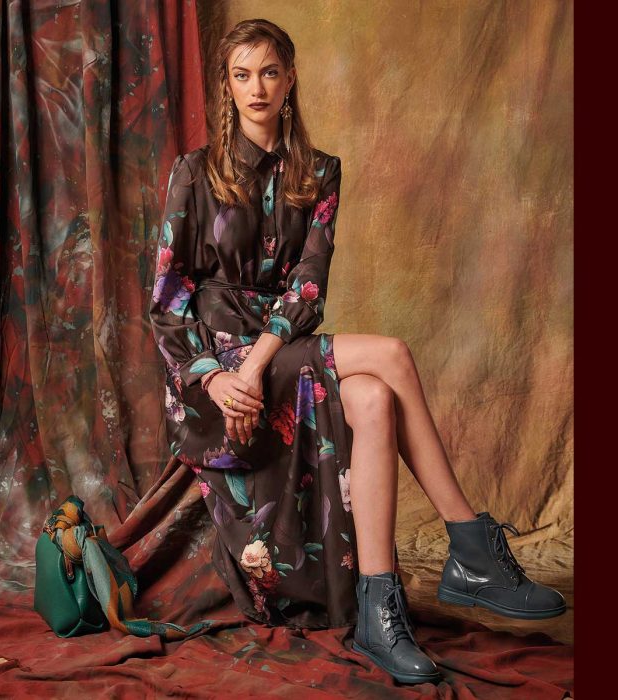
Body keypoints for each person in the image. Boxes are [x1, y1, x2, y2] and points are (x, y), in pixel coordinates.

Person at [149, 18, 566, 686]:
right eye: (242, 75)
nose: (257, 88)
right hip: (213, 376)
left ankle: (379, 609)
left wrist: (257, 362)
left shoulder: (320, 173)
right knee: (391, 355)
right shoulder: (194, 173)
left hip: (273, 355)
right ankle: (472, 546)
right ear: (227, 86)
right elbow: (168, 299)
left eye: (270, 73)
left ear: (290, 80)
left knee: (372, 397)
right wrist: (216, 377)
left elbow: (309, 287)